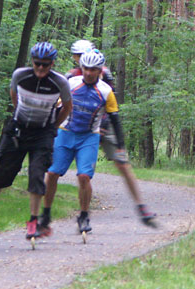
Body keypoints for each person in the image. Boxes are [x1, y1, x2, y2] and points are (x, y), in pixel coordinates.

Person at [0, 41, 72, 240]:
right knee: (1, 173)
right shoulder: (20, 75)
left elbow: (68, 108)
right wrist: (20, 116)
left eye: (45, 64)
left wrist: (52, 127)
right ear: (32, 62)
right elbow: (14, 96)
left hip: (43, 133)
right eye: (37, 64)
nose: (41, 68)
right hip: (18, 129)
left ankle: (33, 220)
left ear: (52, 64)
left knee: (36, 175)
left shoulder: (60, 82)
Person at [64, 40, 156, 226]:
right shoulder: (71, 77)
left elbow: (109, 100)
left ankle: (140, 205)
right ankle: (84, 211)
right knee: (84, 172)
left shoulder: (104, 73)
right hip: (81, 125)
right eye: (78, 57)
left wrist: (105, 129)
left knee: (122, 163)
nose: (83, 61)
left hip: (104, 121)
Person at [41, 50, 129, 235]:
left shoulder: (106, 91)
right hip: (65, 132)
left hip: (89, 136)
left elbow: (114, 119)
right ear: (82, 68)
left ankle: (83, 215)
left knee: (84, 177)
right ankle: (46, 214)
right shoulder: (70, 84)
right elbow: (56, 107)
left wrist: (120, 146)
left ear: (100, 70)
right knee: (52, 173)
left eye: (94, 69)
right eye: (86, 69)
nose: (89, 73)